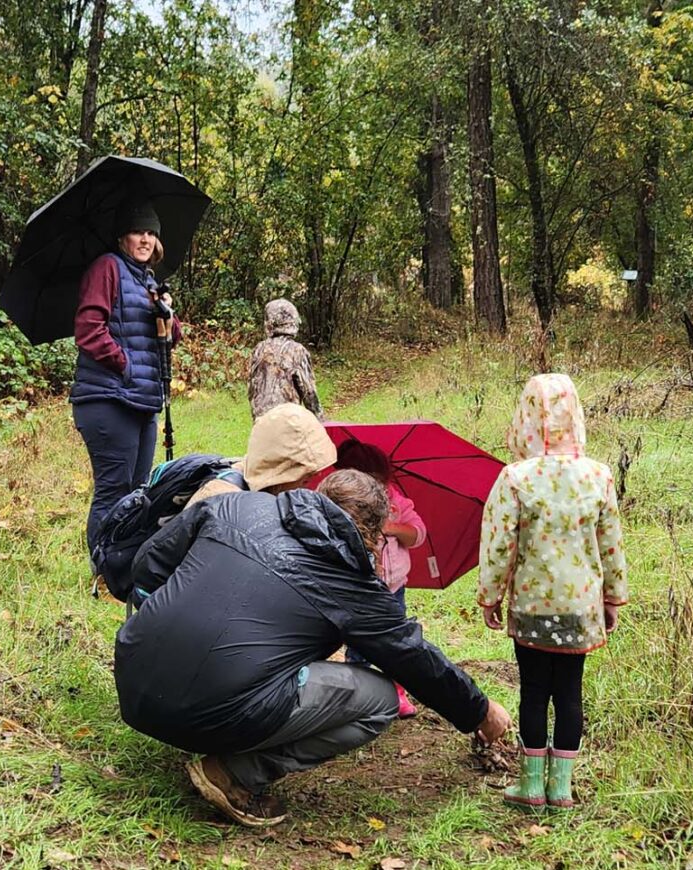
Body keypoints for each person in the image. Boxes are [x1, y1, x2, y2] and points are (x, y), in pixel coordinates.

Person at [115, 469, 511, 827]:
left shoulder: (235, 504)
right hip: (212, 711)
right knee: (381, 701)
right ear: (373, 535)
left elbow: (149, 563)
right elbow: (413, 658)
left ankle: (185, 698)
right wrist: (479, 711)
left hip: (131, 681)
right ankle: (235, 773)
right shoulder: (353, 586)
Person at [477, 373, 628, 810]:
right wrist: (612, 598)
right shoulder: (598, 476)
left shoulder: (516, 477)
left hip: (531, 606)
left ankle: (530, 786)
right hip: (581, 608)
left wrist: (491, 596)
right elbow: (611, 544)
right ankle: (560, 788)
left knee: (533, 691)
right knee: (569, 692)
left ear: (524, 417)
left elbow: (498, 544)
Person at [70, 200, 182, 552]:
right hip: (107, 399)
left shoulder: (149, 281)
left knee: (138, 491)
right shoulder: (107, 268)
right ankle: (101, 570)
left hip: (142, 401)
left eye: (151, 233)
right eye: (138, 232)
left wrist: (168, 313)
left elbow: (170, 337)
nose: (145, 239)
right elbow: (88, 331)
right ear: (122, 238)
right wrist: (126, 366)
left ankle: (124, 567)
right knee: (113, 491)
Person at [333, 438, 427, 719]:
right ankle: (358, 696)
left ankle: (398, 691)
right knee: (359, 642)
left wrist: (393, 527)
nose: (374, 490)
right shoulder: (341, 505)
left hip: (393, 587)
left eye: (378, 482)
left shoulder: (395, 500)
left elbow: (418, 534)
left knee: (396, 639)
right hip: (359, 587)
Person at [186, 402, 336, 506]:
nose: (314, 477)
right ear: (281, 467)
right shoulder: (223, 503)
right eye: (304, 474)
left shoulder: (261, 481)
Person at [248, 299, 323, 421]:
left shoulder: (258, 349)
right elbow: (309, 393)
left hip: (261, 423)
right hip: (288, 423)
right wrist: (320, 421)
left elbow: (252, 389)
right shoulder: (297, 350)